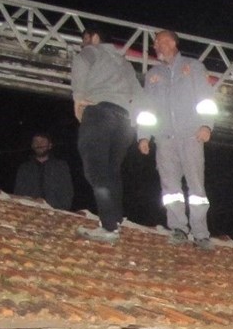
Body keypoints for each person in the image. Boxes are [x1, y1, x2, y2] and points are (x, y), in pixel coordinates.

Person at [136, 30, 219, 250]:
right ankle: (179, 229)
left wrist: (206, 124)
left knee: (196, 188)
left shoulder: (193, 67)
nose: (156, 46)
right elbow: (146, 108)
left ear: (173, 42)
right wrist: (143, 135)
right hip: (165, 138)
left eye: (160, 42)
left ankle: (201, 234)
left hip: (191, 135)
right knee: (170, 188)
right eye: (154, 44)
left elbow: (206, 98)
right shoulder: (153, 74)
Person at [71, 27, 143, 244]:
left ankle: (109, 227)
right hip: (123, 121)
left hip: (99, 113)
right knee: (112, 172)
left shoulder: (92, 52)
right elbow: (138, 93)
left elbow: (80, 63)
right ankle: (113, 221)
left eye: (85, 39)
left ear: (94, 37)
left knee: (96, 170)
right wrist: (134, 119)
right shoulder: (125, 63)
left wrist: (78, 97)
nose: (83, 44)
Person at [13, 133, 73, 210]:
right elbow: (18, 193)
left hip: (55, 211)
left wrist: (50, 204)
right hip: (29, 210)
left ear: (50, 145)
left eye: (42, 141)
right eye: (36, 141)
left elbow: (67, 192)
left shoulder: (60, 166)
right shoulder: (24, 168)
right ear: (32, 146)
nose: (39, 144)